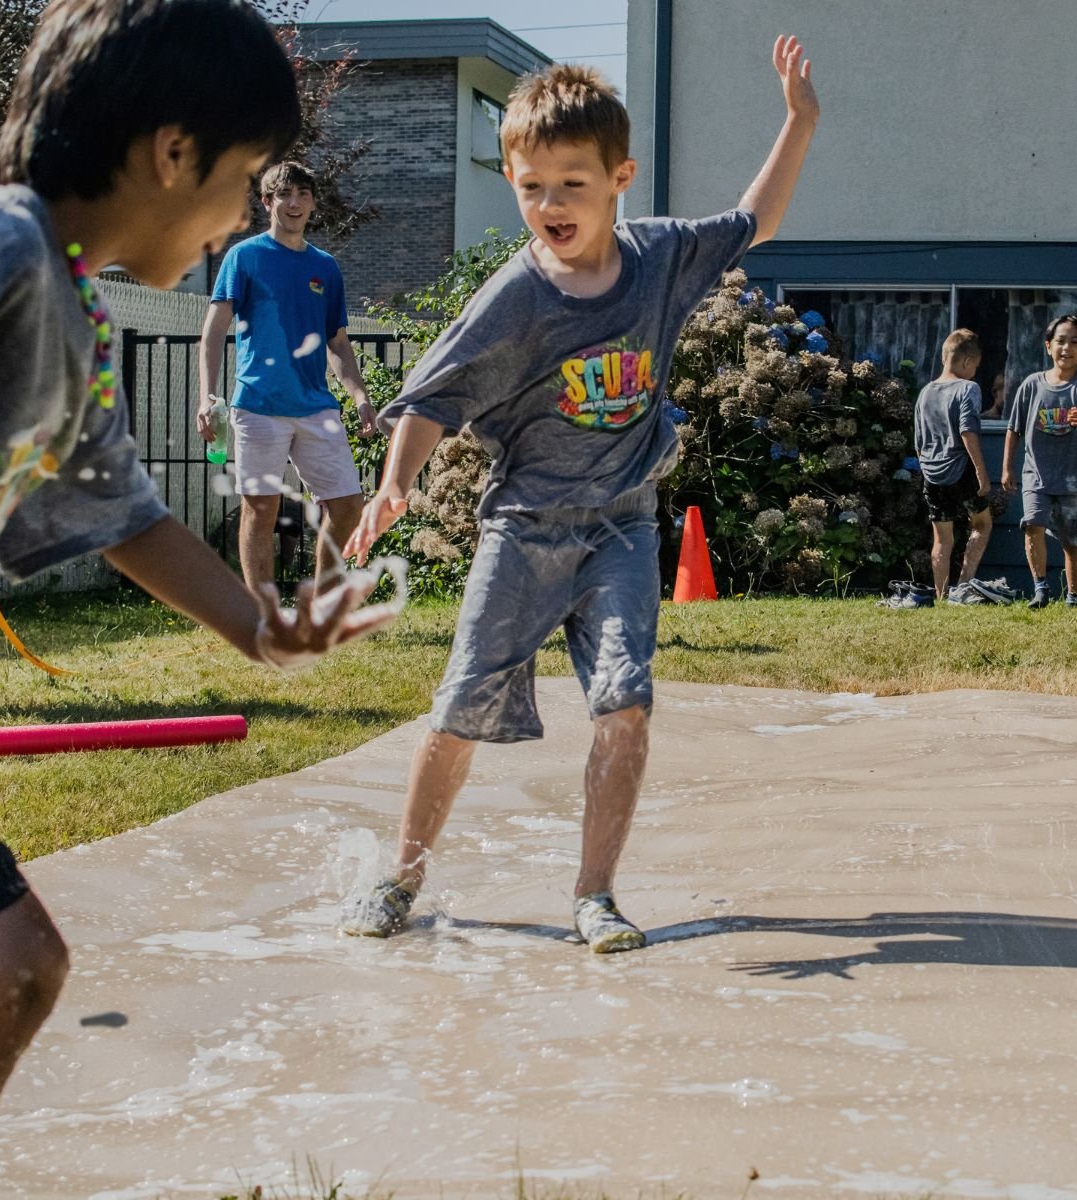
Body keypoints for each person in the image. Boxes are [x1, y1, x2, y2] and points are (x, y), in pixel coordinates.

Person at [0, 3, 394, 1197]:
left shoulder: (69, 317)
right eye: (241, 178)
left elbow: (129, 521)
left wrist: (265, 628)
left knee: (12, 971)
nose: (233, 218)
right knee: (17, 968)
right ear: (170, 154)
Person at [339, 40, 819, 952]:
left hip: (623, 528)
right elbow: (435, 394)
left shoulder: (663, 260)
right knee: (459, 708)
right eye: (530, 187)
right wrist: (396, 482)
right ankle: (398, 878)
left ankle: (595, 896)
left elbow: (756, 217)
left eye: (571, 185)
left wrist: (798, 119)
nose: (549, 206)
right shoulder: (515, 297)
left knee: (624, 703)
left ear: (620, 178)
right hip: (523, 531)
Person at [197, 160, 376, 589]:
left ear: (312, 202)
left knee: (348, 505)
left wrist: (359, 397)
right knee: (261, 507)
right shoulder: (244, 257)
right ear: (267, 202)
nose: (293, 203)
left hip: (315, 406)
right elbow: (214, 330)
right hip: (258, 405)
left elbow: (337, 344)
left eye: (302, 195)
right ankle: (263, 613)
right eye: (283, 195)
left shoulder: (326, 267)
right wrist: (206, 397)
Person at [1001, 313, 1077, 608]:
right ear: (1048, 345)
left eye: (1075, 342)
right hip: (1036, 475)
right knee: (1032, 526)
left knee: (1071, 541)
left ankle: (1073, 597)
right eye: (1060, 341)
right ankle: (1041, 588)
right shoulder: (1032, 385)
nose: (1066, 348)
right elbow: (1013, 429)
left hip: (1072, 479)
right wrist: (1007, 468)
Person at [913, 328, 991, 604]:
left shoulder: (925, 392)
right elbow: (968, 432)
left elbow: (919, 444)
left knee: (942, 540)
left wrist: (928, 470)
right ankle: (963, 586)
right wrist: (982, 474)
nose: (975, 372)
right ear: (968, 361)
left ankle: (941, 597)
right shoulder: (968, 388)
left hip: (932, 473)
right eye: (976, 367)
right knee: (982, 524)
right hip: (961, 468)